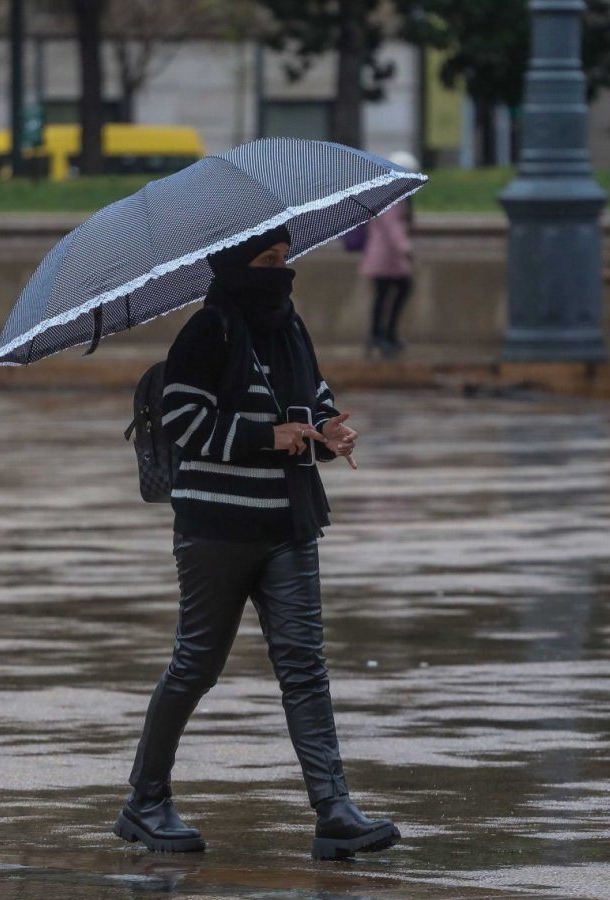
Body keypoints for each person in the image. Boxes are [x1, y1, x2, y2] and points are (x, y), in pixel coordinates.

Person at [114, 226, 401, 861]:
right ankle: (145, 801)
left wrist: (328, 430)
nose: (280, 273)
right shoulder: (207, 331)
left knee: (304, 667)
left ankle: (334, 810)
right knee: (196, 665)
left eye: (284, 259)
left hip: (288, 525)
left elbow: (312, 396)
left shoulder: (290, 327)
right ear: (236, 265)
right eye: (266, 261)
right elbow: (184, 421)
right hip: (217, 529)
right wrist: (269, 437)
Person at [361, 150, 418, 359]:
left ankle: (382, 335)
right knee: (391, 293)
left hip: (386, 257)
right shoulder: (392, 196)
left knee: (385, 295)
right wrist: (406, 249)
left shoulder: (387, 192)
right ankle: (381, 335)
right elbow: (394, 227)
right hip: (386, 257)